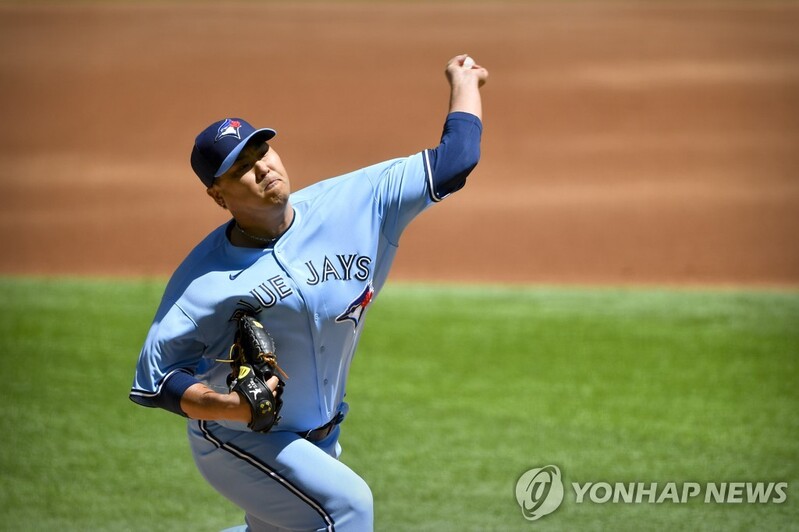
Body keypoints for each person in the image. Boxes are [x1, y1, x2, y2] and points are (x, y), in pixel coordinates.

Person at [129, 54, 488, 532]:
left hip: (320, 437)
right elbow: (156, 379)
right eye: (242, 170)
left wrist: (464, 82)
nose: (263, 169)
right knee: (348, 506)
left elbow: (456, 161)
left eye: (263, 153)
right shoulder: (203, 280)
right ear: (218, 196)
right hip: (239, 441)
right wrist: (226, 407)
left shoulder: (356, 200)